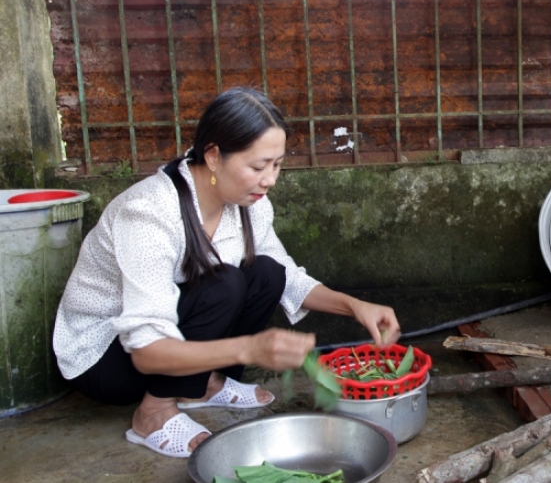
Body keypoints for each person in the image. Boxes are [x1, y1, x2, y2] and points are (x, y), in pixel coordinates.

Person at [52, 87, 401, 458]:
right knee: (226, 282)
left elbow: (288, 278)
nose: (270, 180)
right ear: (214, 156)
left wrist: (354, 306)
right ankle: (153, 413)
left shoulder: (249, 204)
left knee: (266, 272)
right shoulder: (148, 214)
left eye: (277, 165)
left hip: (165, 342)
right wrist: (250, 348)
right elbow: (146, 352)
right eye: (257, 166)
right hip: (106, 359)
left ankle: (201, 386)